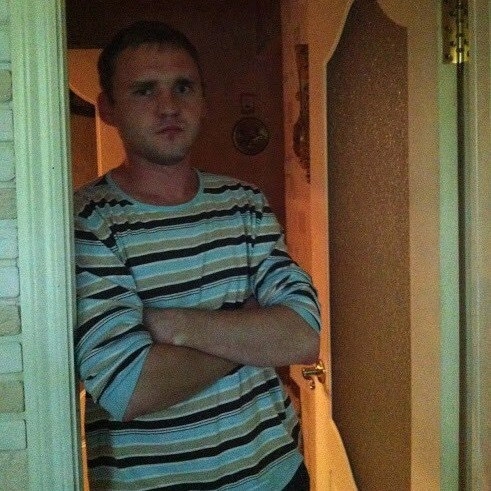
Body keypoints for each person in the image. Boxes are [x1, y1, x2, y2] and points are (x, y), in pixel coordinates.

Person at [73, 20, 321, 490]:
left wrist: (174, 326)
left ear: (204, 100)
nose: (169, 106)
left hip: (276, 473)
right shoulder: (87, 220)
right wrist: (248, 330)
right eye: (145, 90)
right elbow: (130, 386)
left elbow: (302, 336)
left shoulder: (245, 203)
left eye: (183, 87)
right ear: (108, 109)